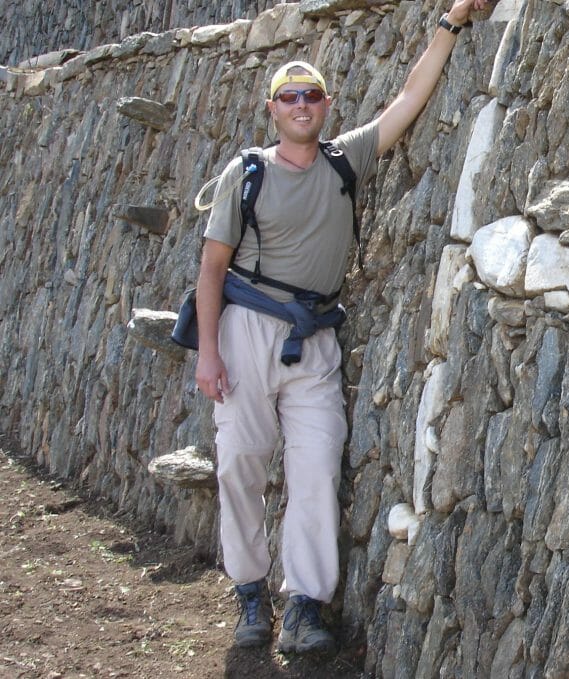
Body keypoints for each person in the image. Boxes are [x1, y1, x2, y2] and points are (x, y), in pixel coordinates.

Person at [194, 0, 492, 654]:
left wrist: (451, 20)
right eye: (289, 96)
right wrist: (208, 353)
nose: (302, 104)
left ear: (327, 105)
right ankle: (250, 592)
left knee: (315, 466)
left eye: (312, 95)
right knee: (239, 464)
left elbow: (408, 100)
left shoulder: (343, 161)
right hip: (248, 328)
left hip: (317, 338)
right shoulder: (246, 174)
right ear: (273, 108)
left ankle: (303, 605)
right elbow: (212, 268)